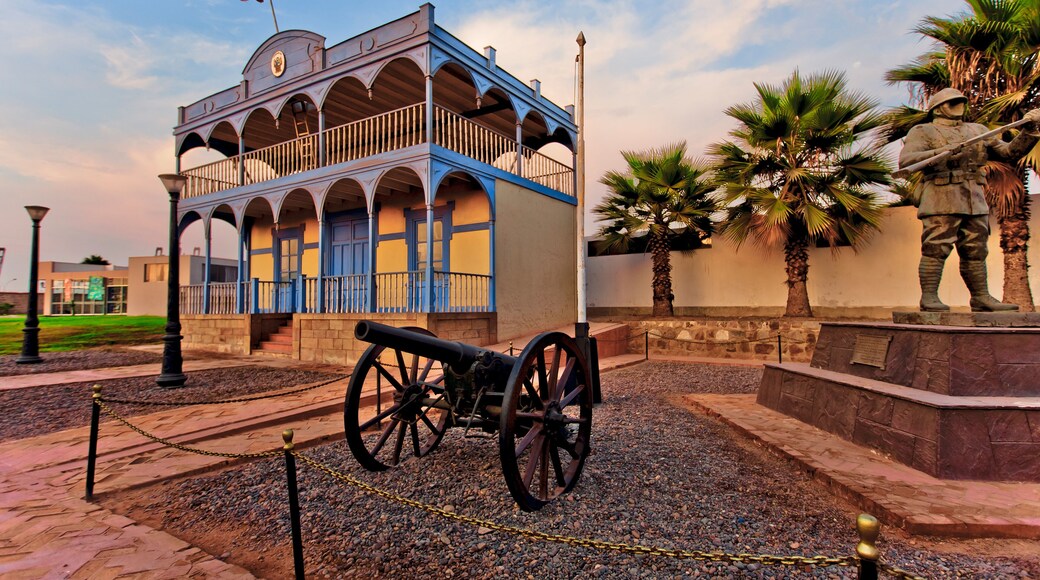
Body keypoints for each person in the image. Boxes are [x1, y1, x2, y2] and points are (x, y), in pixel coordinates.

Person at [899, 88, 1040, 312]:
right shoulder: (923, 131)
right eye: (953, 102)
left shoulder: (978, 130)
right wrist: (945, 151)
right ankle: (929, 297)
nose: (959, 105)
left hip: (973, 196)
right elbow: (907, 161)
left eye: (960, 101)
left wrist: (1028, 131)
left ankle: (981, 297)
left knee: (975, 250)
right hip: (940, 195)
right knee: (936, 247)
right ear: (938, 108)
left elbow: (1008, 153)